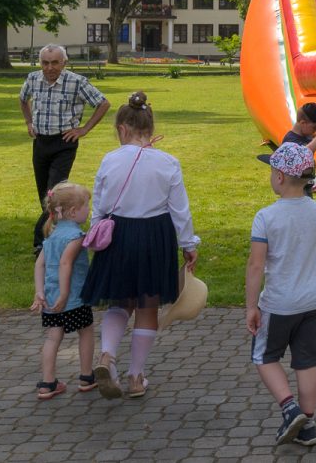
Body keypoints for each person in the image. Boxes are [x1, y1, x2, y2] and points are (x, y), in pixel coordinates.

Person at [81, 91, 200, 400]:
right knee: (147, 307)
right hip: (155, 236)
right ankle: (136, 377)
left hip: (118, 234)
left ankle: (107, 356)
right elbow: (180, 210)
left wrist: (96, 231)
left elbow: (102, 203)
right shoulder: (168, 162)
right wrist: (188, 244)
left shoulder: (110, 159)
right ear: (150, 126)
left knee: (120, 302)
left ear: (122, 129)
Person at [246, 142, 316, 447]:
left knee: (264, 356)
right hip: (314, 300)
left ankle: (290, 407)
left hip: (279, 303)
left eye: (272, 172)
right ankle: (308, 425)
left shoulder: (266, 217)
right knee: (306, 362)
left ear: (281, 178)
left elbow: (256, 265)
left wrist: (250, 307)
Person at [20, 44, 111, 254]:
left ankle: (41, 243)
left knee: (54, 194)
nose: (50, 67)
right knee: (44, 195)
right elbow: (23, 99)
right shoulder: (33, 79)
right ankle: (53, 232)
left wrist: (84, 129)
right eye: (45, 62)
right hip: (41, 142)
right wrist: (28, 122)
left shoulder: (76, 82)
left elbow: (103, 103)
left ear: (64, 63)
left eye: (55, 62)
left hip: (64, 143)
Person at [30, 181, 95, 399]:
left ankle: (47, 383)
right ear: (74, 211)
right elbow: (66, 264)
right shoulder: (75, 237)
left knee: (52, 338)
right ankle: (86, 377)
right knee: (85, 331)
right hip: (73, 298)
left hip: (50, 299)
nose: (89, 209)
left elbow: (39, 265)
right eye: (87, 205)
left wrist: (39, 292)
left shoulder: (52, 236)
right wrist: (66, 293)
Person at [280, 103, 316, 194]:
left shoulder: (305, 135)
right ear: (303, 123)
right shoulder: (290, 141)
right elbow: (303, 154)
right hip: (294, 190)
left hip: (304, 185)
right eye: (314, 127)